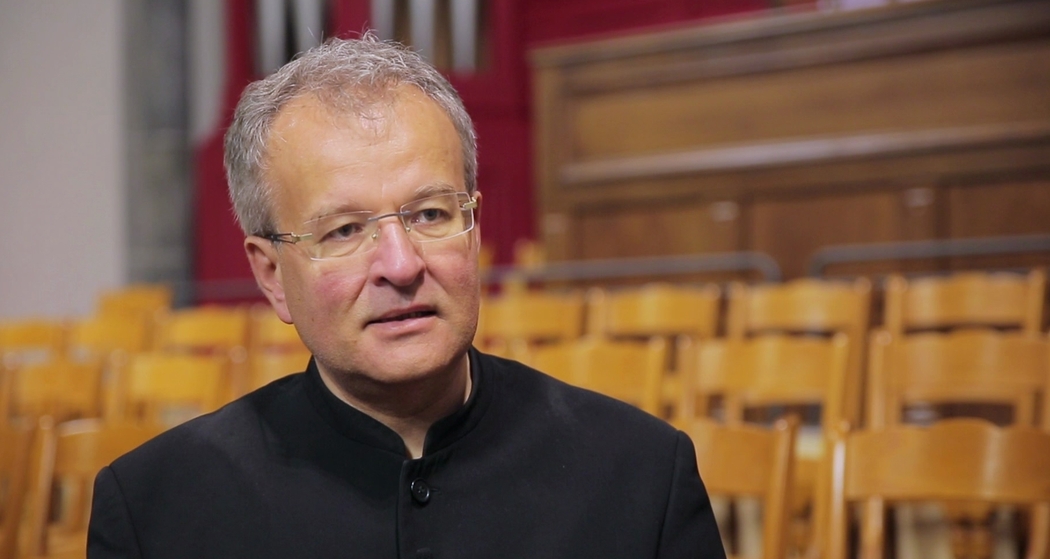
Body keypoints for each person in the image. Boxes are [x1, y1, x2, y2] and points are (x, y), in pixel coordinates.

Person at [87, 34, 726, 559]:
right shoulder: (153, 510)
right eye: (344, 230)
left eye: (429, 214)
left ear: (473, 231)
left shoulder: (642, 473)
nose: (400, 265)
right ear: (272, 276)